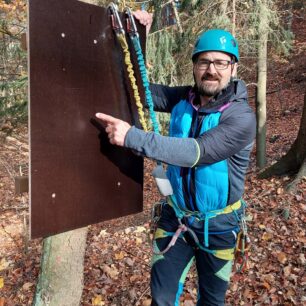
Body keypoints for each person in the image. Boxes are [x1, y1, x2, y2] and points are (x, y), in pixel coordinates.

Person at [96, 11, 256, 306]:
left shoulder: (241, 117)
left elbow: (197, 152)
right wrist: (137, 38)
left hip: (219, 227)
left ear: (233, 69)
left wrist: (133, 137)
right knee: (162, 298)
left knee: (212, 302)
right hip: (176, 219)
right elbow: (139, 91)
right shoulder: (185, 97)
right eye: (204, 61)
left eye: (220, 62)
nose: (212, 70)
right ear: (195, 66)